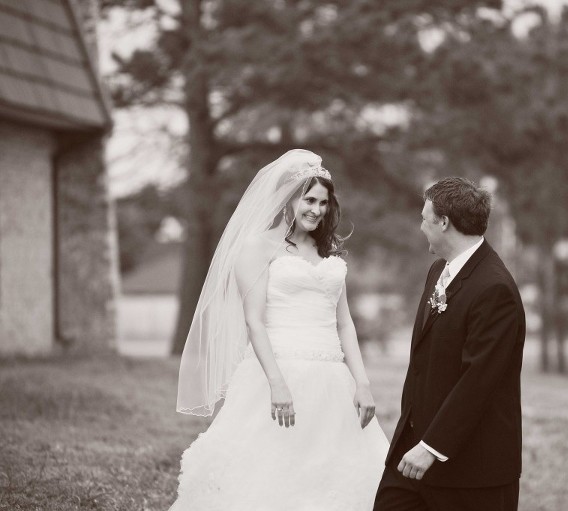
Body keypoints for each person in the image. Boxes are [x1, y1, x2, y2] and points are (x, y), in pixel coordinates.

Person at [169, 149, 389, 510]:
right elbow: (254, 320)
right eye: (309, 199)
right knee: (269, 472)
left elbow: (344, 321)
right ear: (288, 199)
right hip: (278, 371)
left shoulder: (327, 250)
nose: (316, 210)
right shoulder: (257, 247)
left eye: (323, 202)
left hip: (333, 380)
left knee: (331, 474)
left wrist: (361, 382)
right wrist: (276, 382)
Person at [373, 177, 526, 511]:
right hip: (412, 456)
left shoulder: (494, 289)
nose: (421, 226)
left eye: (425, 218)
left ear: (443, 222)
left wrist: (431, 447)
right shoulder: (438, 271)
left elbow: (479, 381)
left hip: (472, 471)